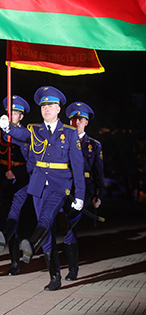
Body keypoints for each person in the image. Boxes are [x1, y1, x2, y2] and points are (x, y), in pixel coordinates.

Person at [0, 86, 85, 291]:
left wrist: (80, 196)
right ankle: (54, 276)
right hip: (38, 184)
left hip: (60, 184)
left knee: (46, 218)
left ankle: (31, 243)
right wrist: (8, 128)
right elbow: (19, 134)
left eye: (50, 106)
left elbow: (78, 167)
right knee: (46, 229)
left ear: (58, 109)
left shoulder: (70, 133)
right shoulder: (34, 130)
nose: (46, 109)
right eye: (43, 106)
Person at [62, 101, 104, 281]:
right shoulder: (62, 140)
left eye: (80, 119)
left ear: (86, 122)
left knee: (71, 222)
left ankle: (73, 269)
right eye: (73, 119)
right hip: (64, 186)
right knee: (63, 223)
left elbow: (98, 172)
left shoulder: (94, 145)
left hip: (84, 188)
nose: (76, 122)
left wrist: (98, 194)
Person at [0, 95, 31, 276]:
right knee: (7, 216)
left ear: (21, 117)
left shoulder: (26, 134)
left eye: (15, 113)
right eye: (9, 112)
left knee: (14, 214)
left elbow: (32, 162)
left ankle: (8, 235)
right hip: (4, 180)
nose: (11, 116)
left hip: (21, 180)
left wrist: (16, 173)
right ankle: (15, 261)